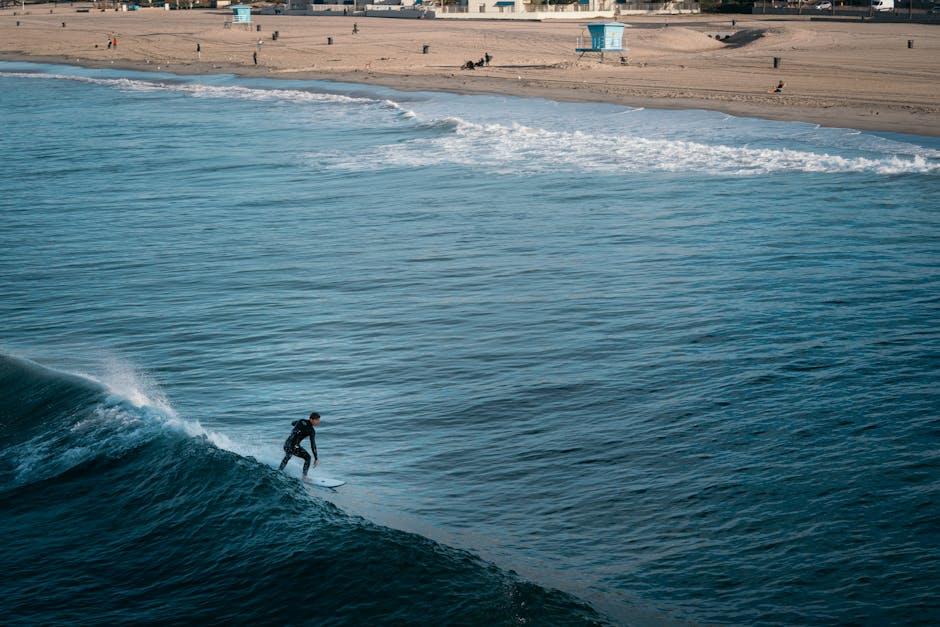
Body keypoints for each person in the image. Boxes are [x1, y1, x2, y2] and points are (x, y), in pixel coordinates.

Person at [279, 412, 320, 478]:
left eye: (318, 420)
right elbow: (313, 444)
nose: (318, 422)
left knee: (306, 457)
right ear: (311, 419)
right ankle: (304, 477)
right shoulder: (311, 431)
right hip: (291, 446)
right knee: (290, 455)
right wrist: (316, 458)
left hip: (288, 444)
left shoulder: (301, 421)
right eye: (317, 420)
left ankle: (279, 471)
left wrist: (297, 426)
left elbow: (292, 423)